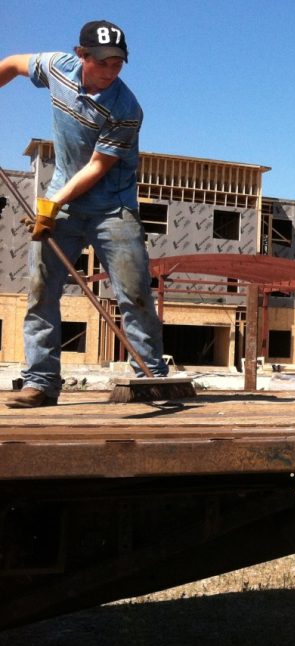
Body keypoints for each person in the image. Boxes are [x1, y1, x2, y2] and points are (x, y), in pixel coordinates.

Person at [0, 20, 167, 408]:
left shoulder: (126, 107)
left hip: (113, 207)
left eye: (118, 64)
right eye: (104, 62)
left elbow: (96, 167)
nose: (111, 71)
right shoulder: (57, 66)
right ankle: (40, 382)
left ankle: (152, 380)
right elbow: (11, 64)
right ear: (81, 55)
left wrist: (53, 203)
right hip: (63, 200)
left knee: (134, 292)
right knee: (41, 290)